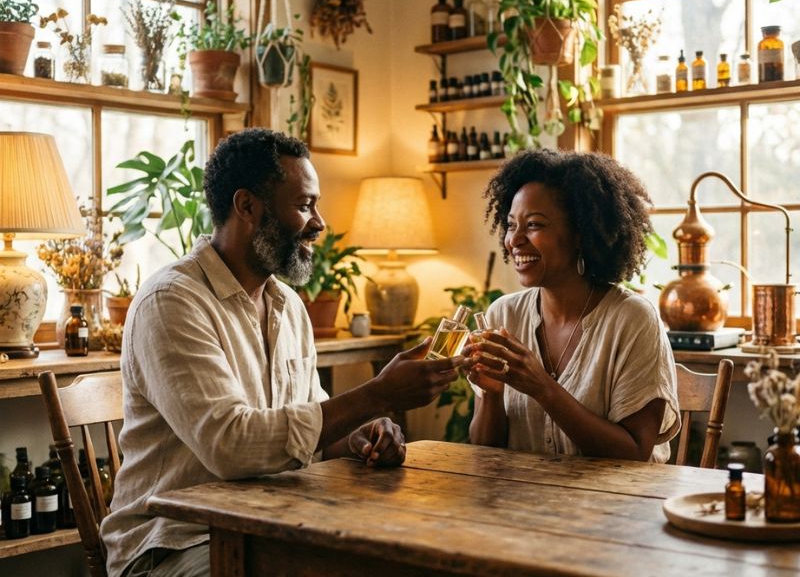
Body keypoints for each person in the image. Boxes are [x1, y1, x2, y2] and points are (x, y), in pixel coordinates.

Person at [101, 129, 461, 577]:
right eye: (304, 205)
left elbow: (312, 426)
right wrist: (377, 395)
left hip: (273, 524)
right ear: (247, 206)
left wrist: (357, 435)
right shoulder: (172, 302)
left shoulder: (287, 305)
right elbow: (230, 446)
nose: (320, 223)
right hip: (171, 543)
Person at [464, 149, 679, 463]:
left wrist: (543, 388)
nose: (515, 240)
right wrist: (493, 394)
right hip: (525, 505)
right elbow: (486, 455)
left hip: (619, 506)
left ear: (580, 234)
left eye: (534, 225)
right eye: (511, 226)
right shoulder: (503, 315)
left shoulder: (632, 320)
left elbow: (633, 454)